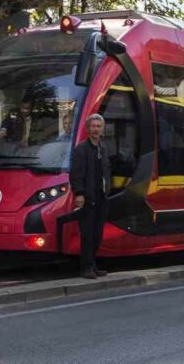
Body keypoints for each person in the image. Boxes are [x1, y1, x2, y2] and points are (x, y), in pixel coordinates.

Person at [69, 113, 111, 279]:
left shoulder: (104, 147)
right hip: (87, 197)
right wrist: (79, 193)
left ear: (102, 129)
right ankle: (86, 267)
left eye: (98, 126)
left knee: (98, 234)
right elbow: (76, 174)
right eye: (93, 126)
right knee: (87, 234)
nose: (95, 129)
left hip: (101, 197)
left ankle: (93, 264)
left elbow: (107, 171)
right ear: (88, 129)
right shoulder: (81, 148)